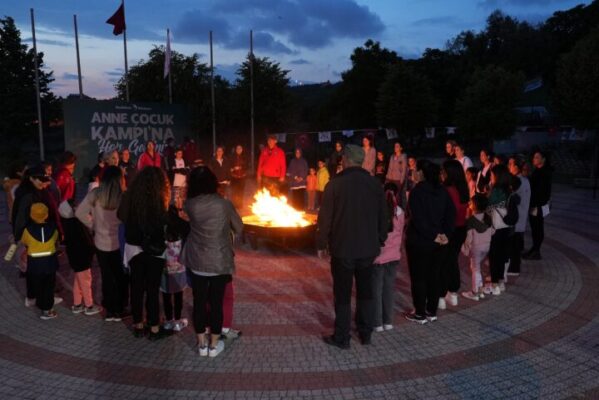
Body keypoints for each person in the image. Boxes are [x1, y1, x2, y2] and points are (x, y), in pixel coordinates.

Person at [317, 144, 388, 349]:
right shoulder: (374, 184)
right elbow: (384, 217)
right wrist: (380, 239)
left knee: (343, 294)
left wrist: (321, 243)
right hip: (368, 249)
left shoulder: (335, 184)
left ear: (346, 160)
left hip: (342, 249)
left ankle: (342, 336)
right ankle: (365, 333)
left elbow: (325, 220)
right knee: (366, 291)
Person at [181, 167, 243, 357]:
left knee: (199, 302)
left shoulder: (189, 204)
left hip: (197, 260)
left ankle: (201, 345)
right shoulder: (224, 204)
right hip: (219, 260)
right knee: (216, 303)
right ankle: (214, 346)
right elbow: (239, 227)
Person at [118, 166, 171, 340]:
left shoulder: (130, 197)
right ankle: (154, 328)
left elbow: (121, 216)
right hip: (154, 250)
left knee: (136, 287)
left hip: (134, 249)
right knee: (153, 289)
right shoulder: (159, 200)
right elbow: (165, 223)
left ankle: (138, 325)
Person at [404, 159, 455, 324]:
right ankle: (431, 311)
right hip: (439, 242)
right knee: (434, 276)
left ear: (421, 173)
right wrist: (445, 234)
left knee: (419, 277)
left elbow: (418, 219)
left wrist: (435, 235)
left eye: (416, 170)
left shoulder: (417, 191)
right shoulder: (442, 191)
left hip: (420, 242)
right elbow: (451, 214)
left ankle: (420, 313)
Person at [76, 166, 126, 321]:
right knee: (121, 276)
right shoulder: (123, 196)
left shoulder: (95, 194)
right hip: (120, 243)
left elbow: (79, 212)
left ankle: (109, 310)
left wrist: (93, 225)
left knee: (106, 276)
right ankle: (120, 308)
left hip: (100, 242)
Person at [12, 165, 63, 307]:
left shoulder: (35, 191)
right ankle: (43, 298)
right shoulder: (28, 195)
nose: (44, 183)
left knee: (33, 269)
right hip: (35, 237)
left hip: (37, 235)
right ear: (31, 179)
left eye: (44, 179)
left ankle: (34, 296)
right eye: (40, 180)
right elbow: (20, 219)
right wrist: (22, 240)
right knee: (40, 270)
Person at [372, 183, 404, 332]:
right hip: (394, 256)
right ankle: (388, 321)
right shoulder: (400, 212)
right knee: (389, 289)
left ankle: (377, 323)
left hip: (379, 257)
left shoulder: (378, 211)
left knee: (376, 290)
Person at [438, 160, 469, 309]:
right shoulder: (463, 189)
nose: (441, 175)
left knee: (443, 262)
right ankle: (453, 293)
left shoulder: (447, 190)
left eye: (443, 172)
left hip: (448, 230)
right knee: (451, 260)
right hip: (460, 229)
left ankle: (442, 296)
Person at [20, 203, 60, 320]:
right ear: (46, 214)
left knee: (38, 284)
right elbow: (55, 239)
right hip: (49, 262)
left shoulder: (27, 230)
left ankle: (39, 302)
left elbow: (25, 241)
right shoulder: (53, 228)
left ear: (31, 215)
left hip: (35, 263)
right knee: (49, 286)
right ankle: (47, 310)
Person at [161, 203, 190, 332]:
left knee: (166, 294)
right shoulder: (182, 226)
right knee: (178, 294)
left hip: (164, 268)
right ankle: (177, 320)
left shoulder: (162, 226)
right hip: (179, 267)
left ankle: (168, 320)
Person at [485, 164, 513, 295]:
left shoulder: (496, 190)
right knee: (502, 254)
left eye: (492, 174)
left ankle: (494, 284)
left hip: (495, 226)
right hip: (506, 226)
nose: (491, 176)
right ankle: (501, 282)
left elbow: (488, 207)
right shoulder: (508, 189)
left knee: (494, 255)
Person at [461, 194, 494, 301]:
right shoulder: (488, 218)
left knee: (475, 268)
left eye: (471, 202)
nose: (469, 204)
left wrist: (465, 248)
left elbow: (469, 238)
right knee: (478, 267)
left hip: (476, 247)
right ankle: (479, 289)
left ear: (475, 205)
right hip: (487, 246)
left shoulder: (471, 220)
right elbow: (493, 231)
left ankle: (475, 292)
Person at [523, 151, 552, 260]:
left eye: (536, 157)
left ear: (543, 159)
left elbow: (542, 192)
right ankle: (534, 249)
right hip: (534, 204)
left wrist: (534, 203)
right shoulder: (538, 171)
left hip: (538, 205)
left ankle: (536, 250)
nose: (534, 159)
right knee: (535, 228)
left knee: (538, 228)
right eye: (534, 157)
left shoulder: (544, 173)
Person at [507, 155, 531, 275]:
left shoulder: (518, 181)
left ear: (516, 167)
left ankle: (513, 268)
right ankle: (514, 266)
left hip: (516, 218)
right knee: (517, 243)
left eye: (511, 164)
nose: (509, 167)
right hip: (521, 218)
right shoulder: (525, 180)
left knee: (514, 245)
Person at [230, 145, 248, 210]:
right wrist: (232, 168)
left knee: (241, 192)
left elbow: (247, 166)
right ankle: (234, 205)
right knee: (234, 192)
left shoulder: (245, 157)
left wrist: (240, 167)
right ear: (235, 149)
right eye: (237, 148)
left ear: (242, 149)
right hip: (234, 177)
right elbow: (229, 166)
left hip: (242, 177)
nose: (239, 150)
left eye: (240, 148)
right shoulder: (232, 157)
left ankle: (240, 205)